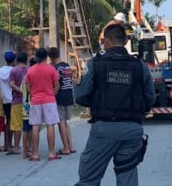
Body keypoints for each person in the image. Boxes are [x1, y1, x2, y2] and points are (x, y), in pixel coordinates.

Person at [75, 24, 155, 186]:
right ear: (125, 41)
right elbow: (150, 98)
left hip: (104, 128)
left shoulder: (95, 64)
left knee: (88, 179)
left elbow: (81, 97)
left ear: (105, 41)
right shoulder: (139, 65)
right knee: (127, 177)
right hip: (133, 129)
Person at [25, 48, 60, 162]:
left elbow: (28, 86)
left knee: (35, 126)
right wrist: (52, 95)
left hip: (35, 101)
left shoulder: (30, 70)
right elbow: (57, 85)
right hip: (49, 100)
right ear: (46, 57)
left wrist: (33, 94)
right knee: (50, 125)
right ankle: (51, 153)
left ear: (36, 57)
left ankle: (35, 154)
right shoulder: (51, 69)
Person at [47, 47, 76, 155]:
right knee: (66, 122)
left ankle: (66, 148)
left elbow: (55, 84)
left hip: (60, 96)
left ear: (50, 57)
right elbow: (70, 81)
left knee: (61, 122)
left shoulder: (55, 68)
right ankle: (71, 146)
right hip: (68, 95)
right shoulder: (67, 66)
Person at [0, 50, 15, 152]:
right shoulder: (14, 70)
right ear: (14, 59)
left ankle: (6, 144)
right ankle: (10, 144)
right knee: (13, 122)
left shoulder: (0, 70)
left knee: (8, 121)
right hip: (14, 99)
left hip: (5, 99)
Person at [7, 52, 28, 156]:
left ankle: (16, 147)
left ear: (17, 60)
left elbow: (11, 84)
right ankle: (29, 146)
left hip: (17, 101)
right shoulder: (29, 70)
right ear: (26, 60)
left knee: (17, 125)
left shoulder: (14, 70)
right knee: (28, 124)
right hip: (28, 101)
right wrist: (25, 92)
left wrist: (20, 91)